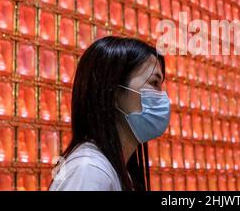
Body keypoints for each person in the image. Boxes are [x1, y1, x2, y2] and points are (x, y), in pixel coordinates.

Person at [49, 36, 170, 191]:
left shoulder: (115, 170)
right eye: (154, 83)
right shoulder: (90, 171)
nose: (164, 98)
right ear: (114, 93)